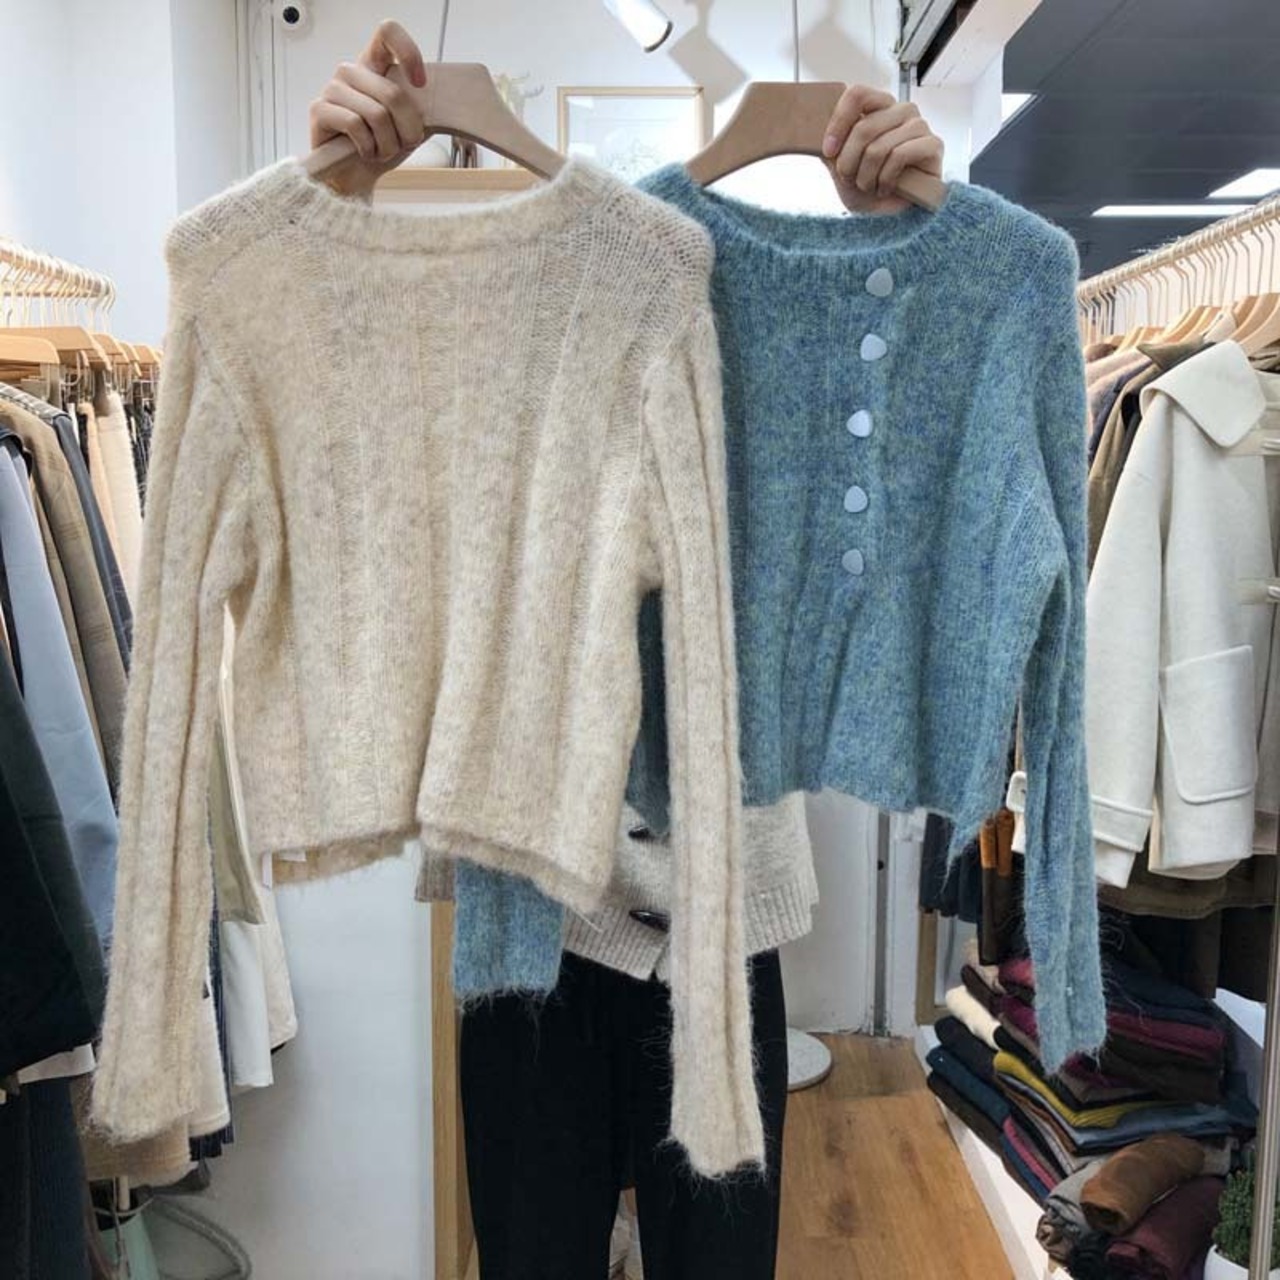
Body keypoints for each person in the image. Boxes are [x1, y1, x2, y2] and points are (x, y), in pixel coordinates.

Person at [309, 21, 945, 1280]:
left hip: (722, 913)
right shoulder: (452, 324)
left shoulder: (774, 319)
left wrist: (903, 244)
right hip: (527, 923)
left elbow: (903, 526)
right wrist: (338, 199)